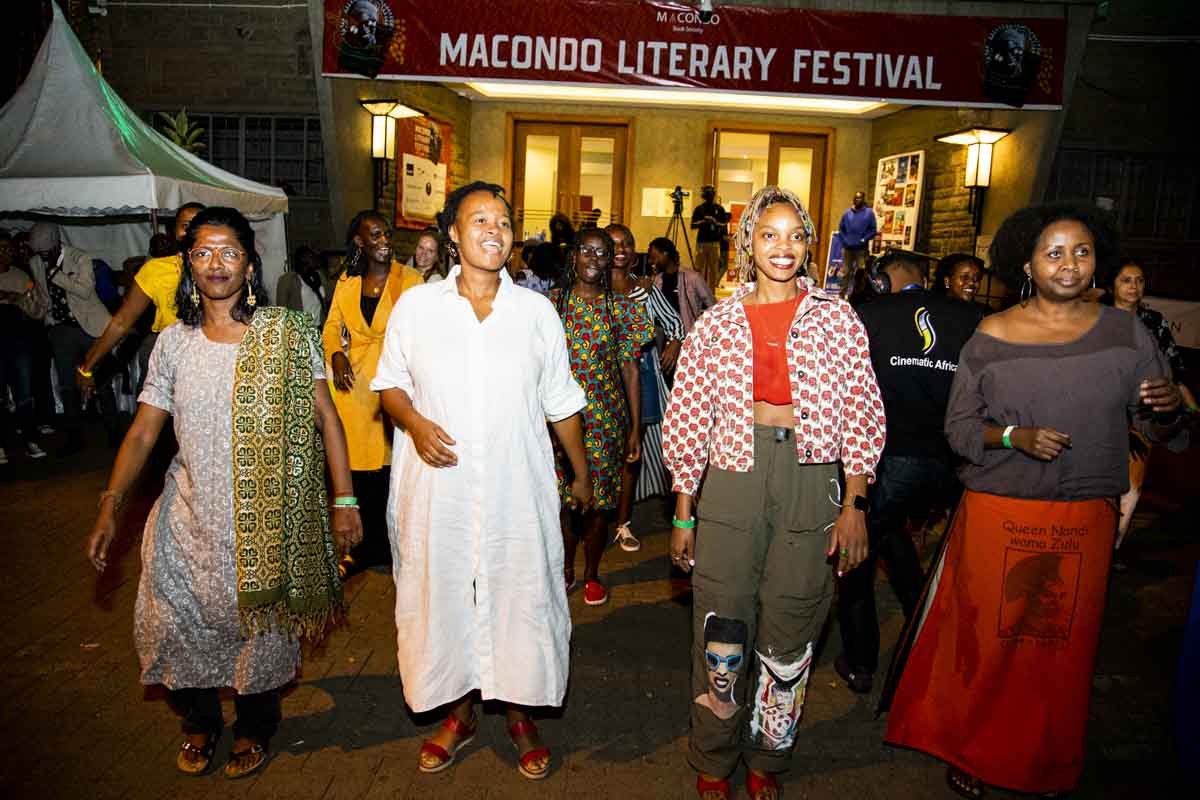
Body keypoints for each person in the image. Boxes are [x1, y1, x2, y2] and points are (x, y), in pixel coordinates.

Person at [883, 204, 1185, 798]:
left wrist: (1169, 408)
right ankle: (971, 747)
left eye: (1081, 252)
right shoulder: (992, 335)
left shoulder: (1129, 334)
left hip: (1084, 517)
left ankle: (1045, 756)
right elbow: (960, 430)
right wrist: (1013, 436)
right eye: (1054, 253)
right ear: (1027, 263)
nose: (1069, 264)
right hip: (1002, 508)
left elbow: (1157, 427)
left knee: (1063, 648)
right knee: (991, 640)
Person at [84, 206, 361, 779]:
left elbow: (327, 419)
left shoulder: (283, 335)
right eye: (204, 252)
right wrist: (111, 505)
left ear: (250, 265)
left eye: (230, 252)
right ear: (188, 263)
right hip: (186, 519)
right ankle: (200, 721)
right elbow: (143, 431)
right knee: (173, 624)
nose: (217, 264)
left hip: (263, 525)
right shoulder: (174, 343)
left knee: (258, 632)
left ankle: (255, 727)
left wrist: (344, 499)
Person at [663, 185, 885, 800]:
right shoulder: (715, 323)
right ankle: (712, 758)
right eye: (769, 234)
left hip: (813, 478)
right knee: (721, 629)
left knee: (792, 627)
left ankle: (768, 756)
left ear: (809, 245)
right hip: (731, 475)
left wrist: (855, 502)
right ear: (747, 244)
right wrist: (684, 512)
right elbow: (687, 417)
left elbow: (863, 410)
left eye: (794, 235)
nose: (782, 247)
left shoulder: (838, 319)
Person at [370, 182, 591, 780]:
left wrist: (582, 471)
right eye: (479, 220)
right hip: (439, 489)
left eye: (504, 221)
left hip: (516, 488)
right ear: (452, 234)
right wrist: (413, 423)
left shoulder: (536, 312)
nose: (494, 231)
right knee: (445, 595)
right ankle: (460, 711)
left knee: (519, 592)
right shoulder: (418, 308)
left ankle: (520, 714)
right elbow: (390, 385)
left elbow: (560, 400)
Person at [833, 250, 982, 696]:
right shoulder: (975, 317)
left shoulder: (870, 313)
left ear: (882, 279)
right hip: (950, 462)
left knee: (856, 556)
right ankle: (931, 647)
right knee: (895, 537)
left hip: (889, 459)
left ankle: (861, 663)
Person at [553, 227, 653, 606]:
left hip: (605, 420)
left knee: (598, 504)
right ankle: (564, 568)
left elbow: (630, 370)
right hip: (558, 422)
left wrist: (634, 430)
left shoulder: (623, 308)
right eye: (586, 251)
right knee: (563, 499)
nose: (593, 260)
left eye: (601, 254)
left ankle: (592, 573)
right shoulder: (553, 304)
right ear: (574, 255)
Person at [324, 210, 423, 580]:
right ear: (360, 243)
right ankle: (362, 550)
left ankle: (395, 547)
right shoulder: (347, 283)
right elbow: (332, 325)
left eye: (387, 234)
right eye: (376, 236)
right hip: (351, 390)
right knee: (357, 472)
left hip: (393, 388)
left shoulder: (409, 281)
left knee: (392, 472)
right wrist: (335, 353)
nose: (384, 241)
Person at [1104, 259, 1195, 545]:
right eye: (1126, 280)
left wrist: (1190, 407)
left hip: (1141, 414)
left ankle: (1113, 546)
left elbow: (1173, 369)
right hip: (1101, 413)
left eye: (1139, 280)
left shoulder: (1154, 322)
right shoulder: (1096, 319)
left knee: (1130, 487)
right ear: (1112, 285)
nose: (1134, 286)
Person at [606, 223, 685, 551]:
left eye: (627, 242)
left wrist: (673, 344)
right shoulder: (591, 289)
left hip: (642, 381)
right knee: (601, 451)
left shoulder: (644, 289)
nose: (621, 249)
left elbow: (676, 323)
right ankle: (597, 517)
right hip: (600, 385)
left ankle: (623, 523)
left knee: (631, 453)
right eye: (613, 244)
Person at [77, 203, 206, 400]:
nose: (192, 231)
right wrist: (87, 367)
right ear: (174, 231)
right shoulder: (156, 270)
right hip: (169, 359)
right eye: (186, 225)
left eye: (201, 224)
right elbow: (122, 321)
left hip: (210, 362)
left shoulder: (226, 269)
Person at [27, 222, 116, 454]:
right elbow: (43, 295)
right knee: (68, 386)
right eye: (39, 253)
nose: (44, 257)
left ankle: (115, 433)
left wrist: (55, 275)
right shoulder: (35, 263)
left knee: (101, 382)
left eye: (47, 252)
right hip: (61, 329)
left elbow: (84, 291)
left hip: (91, 327)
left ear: (57, 244)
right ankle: (74, 436)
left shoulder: (80, 258)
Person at [0, 231, 49, 462]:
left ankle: (30, 439)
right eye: (1, 248)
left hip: (19, 341)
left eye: (8, 249)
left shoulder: (21, 276)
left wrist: (21, 300)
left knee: (24, 394)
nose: (6, 253)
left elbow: (38, 310)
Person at [650, 236, 715, 338]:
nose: (651, 261)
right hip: (663, 339)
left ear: (665, 254)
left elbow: (713, 306)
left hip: (688, 336)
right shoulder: (657, 280)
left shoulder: (693, 278)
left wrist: (704, 328)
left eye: (654, 257)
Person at [275, 245, 330, 327]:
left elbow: (328, 297)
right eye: (311, 256)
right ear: (303, 260)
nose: (314, 259)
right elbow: (281, 308)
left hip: (319, 326)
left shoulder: (317, 276)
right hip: (300, 329)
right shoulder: (288, 279)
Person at [837, 192, 878, 299]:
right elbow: (841, 229)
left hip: (861, 249)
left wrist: (864, 239)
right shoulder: (847, 213)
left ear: (863, 200)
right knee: (845, 272)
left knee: (861, 273)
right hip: (847, 249)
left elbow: (873, 230)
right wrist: (844, 240)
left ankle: (858, 295)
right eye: (856, 198)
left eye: (860, 198)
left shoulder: (869, 213)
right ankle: (841, 296)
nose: (858, 200)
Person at [691, 185, 730, 292]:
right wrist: (704, 221)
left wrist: (715, 222)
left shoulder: (719, 209)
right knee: (699, 267)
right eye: (707, 193)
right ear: (704, 196)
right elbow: (693, 225)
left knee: (714, 269)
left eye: (711, 193)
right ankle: (697, 290)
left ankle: (711, 291)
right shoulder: (699, 209)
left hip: (714, 242)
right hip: (701, 242)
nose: (709, 196)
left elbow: (723, 225)